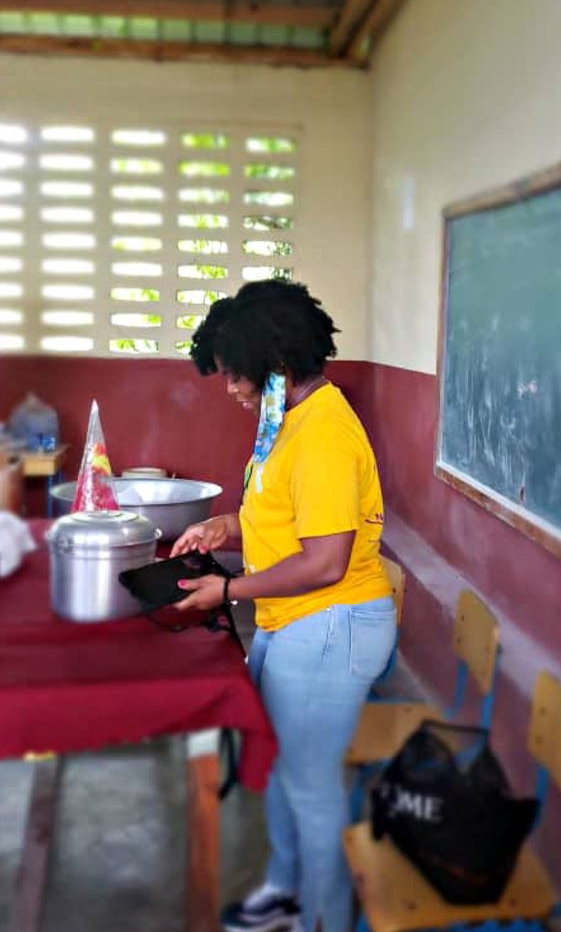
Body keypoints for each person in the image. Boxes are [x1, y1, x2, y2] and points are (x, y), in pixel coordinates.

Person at [170, 280, 396, 932]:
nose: (232, 388)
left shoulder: (323, 432)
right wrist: (224, 528)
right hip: (291, 619)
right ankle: (284, 889)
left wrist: (230, 590)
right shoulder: (284, 420)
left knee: (312, 786)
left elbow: (325, 561)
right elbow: (278, 517)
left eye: (237, 374)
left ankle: (321, 918)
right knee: (279, 764)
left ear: (279, 361)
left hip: (330, 624)